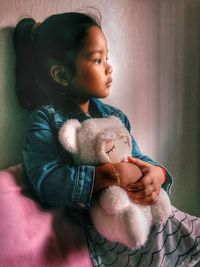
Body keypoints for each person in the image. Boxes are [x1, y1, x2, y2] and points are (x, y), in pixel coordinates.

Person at [14, 12, 200, 267]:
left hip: (141, 210)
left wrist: (158, 174)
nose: (109, 67)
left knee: (184, 228)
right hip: (108, 224)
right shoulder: (46, 119)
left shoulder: (114, 116)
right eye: (97, 60)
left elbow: (137, 157)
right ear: (61, 75)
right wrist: (109, 175)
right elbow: (45, 180)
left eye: (107, 57)